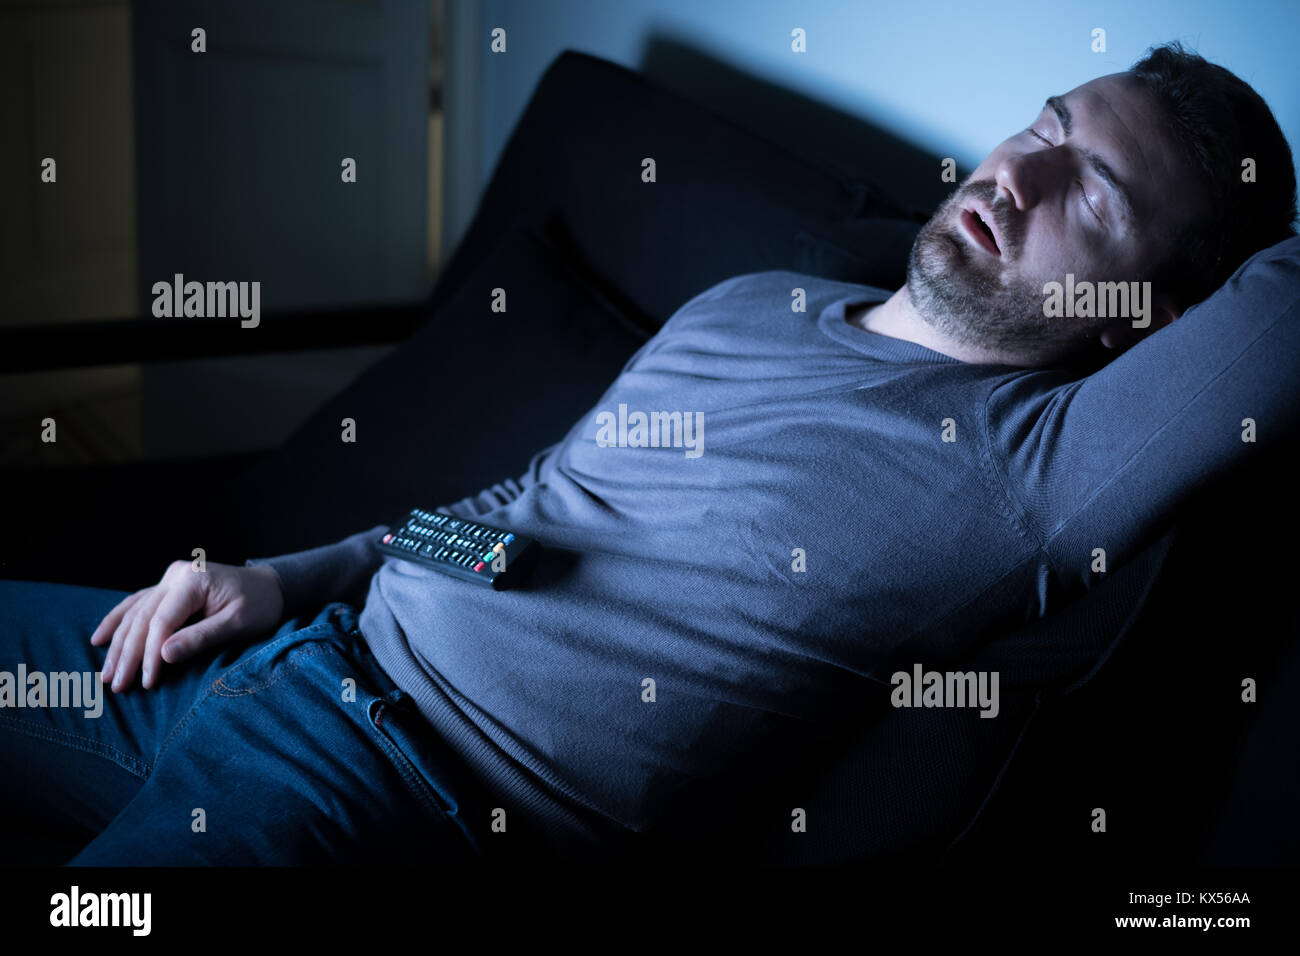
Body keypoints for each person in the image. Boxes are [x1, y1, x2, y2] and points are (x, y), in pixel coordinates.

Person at [2, 41, 1297, 864]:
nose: (1019, 173)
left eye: (1093, 193)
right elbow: (519, 515)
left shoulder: (1035, 473)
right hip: (282, 657)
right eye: (1046, 123)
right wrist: (282, 579)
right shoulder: (752, 304)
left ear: (1150, 321)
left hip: (381, 788)